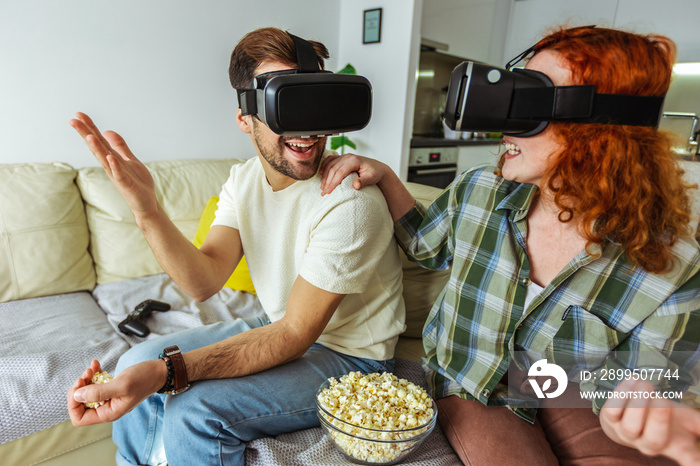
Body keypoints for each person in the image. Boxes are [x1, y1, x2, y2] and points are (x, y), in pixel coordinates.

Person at [320, 26, 700, 466]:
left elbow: (656, 389)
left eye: (531, 103)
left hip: (571, 390)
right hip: (474, 384)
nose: (505, 125)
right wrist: (385, 175)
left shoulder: (672, 265)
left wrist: (640, 419)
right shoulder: (480, 190)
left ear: (603, 131)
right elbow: (427, 246)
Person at [66, 27, 406, 466]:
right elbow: (203, 282)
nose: (306, 128)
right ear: (245, 117)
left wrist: (168, 373)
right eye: (286, 104)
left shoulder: (351, 201)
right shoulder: (243, 180)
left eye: (312, 101)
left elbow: (295, 335)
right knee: (137, 357)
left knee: (193, 410)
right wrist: (147, 210)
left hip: (351, 356)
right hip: (282, 324)